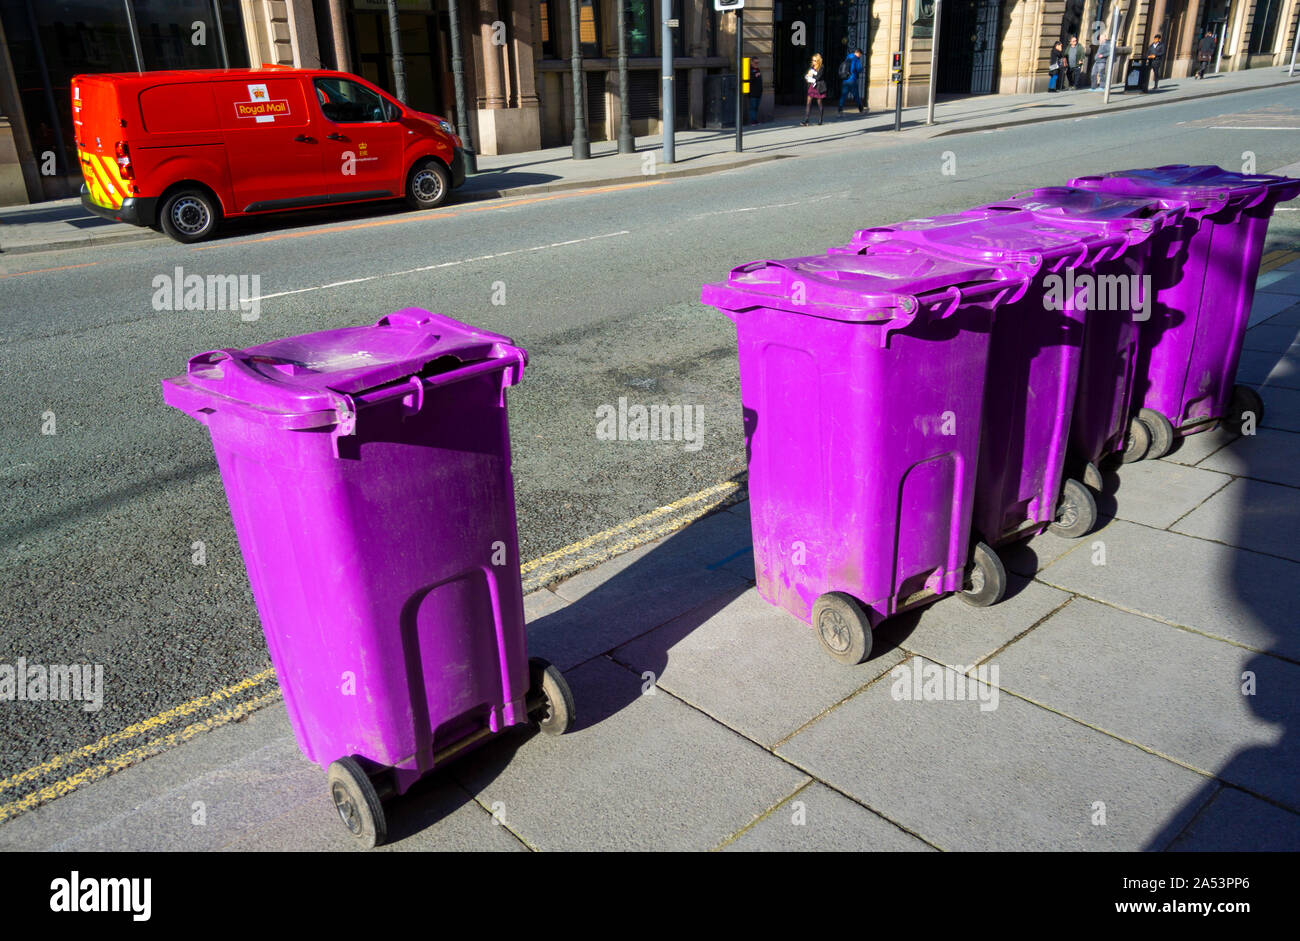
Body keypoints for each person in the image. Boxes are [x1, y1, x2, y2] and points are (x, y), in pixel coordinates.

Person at [802, 53, 827, 126]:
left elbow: (818, 77)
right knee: (808, 103)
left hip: (818, 87)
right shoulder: (812, 67)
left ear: (818, 61)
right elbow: (807, 74)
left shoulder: (821, 67)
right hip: (812, 86)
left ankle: (820, 119)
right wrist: (807, 76)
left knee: (819, 103)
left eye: (815, 60)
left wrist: (811, 77)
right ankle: (806, 120)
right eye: (813, 60)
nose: (813, 62)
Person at [838, 48, 864, 115]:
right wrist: (861, 69)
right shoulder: (856, 59)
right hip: (852, 80)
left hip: (845, 79)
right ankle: (861, 108)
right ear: (858, 53)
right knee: (856, 95)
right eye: (860, 54)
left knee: (843, 95)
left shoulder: (848, 57)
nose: (860, 56)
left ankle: (840, 109)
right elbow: (858, 69)